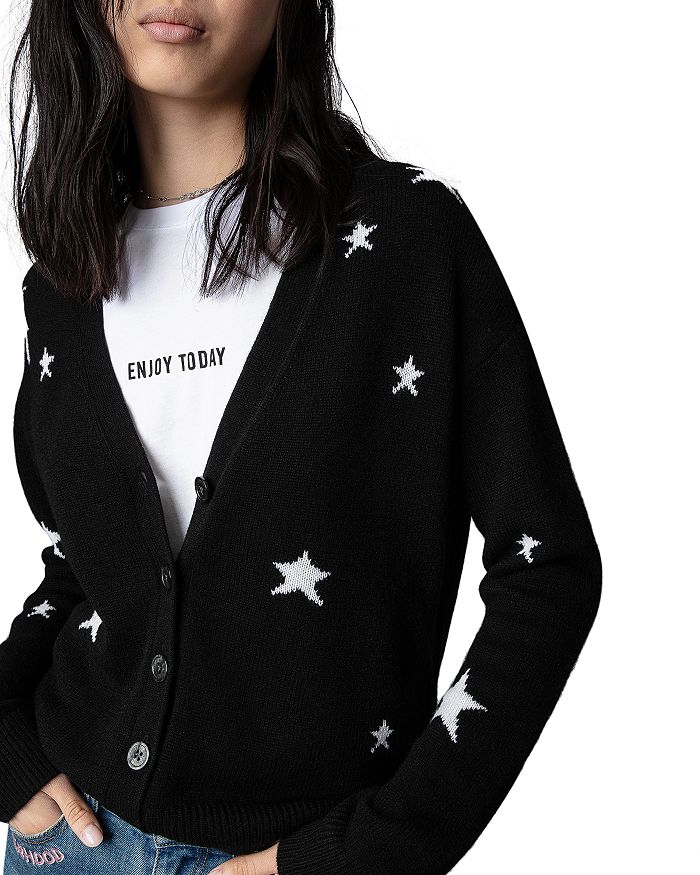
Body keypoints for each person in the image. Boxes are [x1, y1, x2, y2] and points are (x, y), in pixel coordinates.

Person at [0, 1, 603, 874]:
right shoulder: (60, 284)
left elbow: (548, 569)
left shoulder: (407, 239)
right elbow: (78, 567)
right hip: (66, 844)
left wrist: (370, 852)